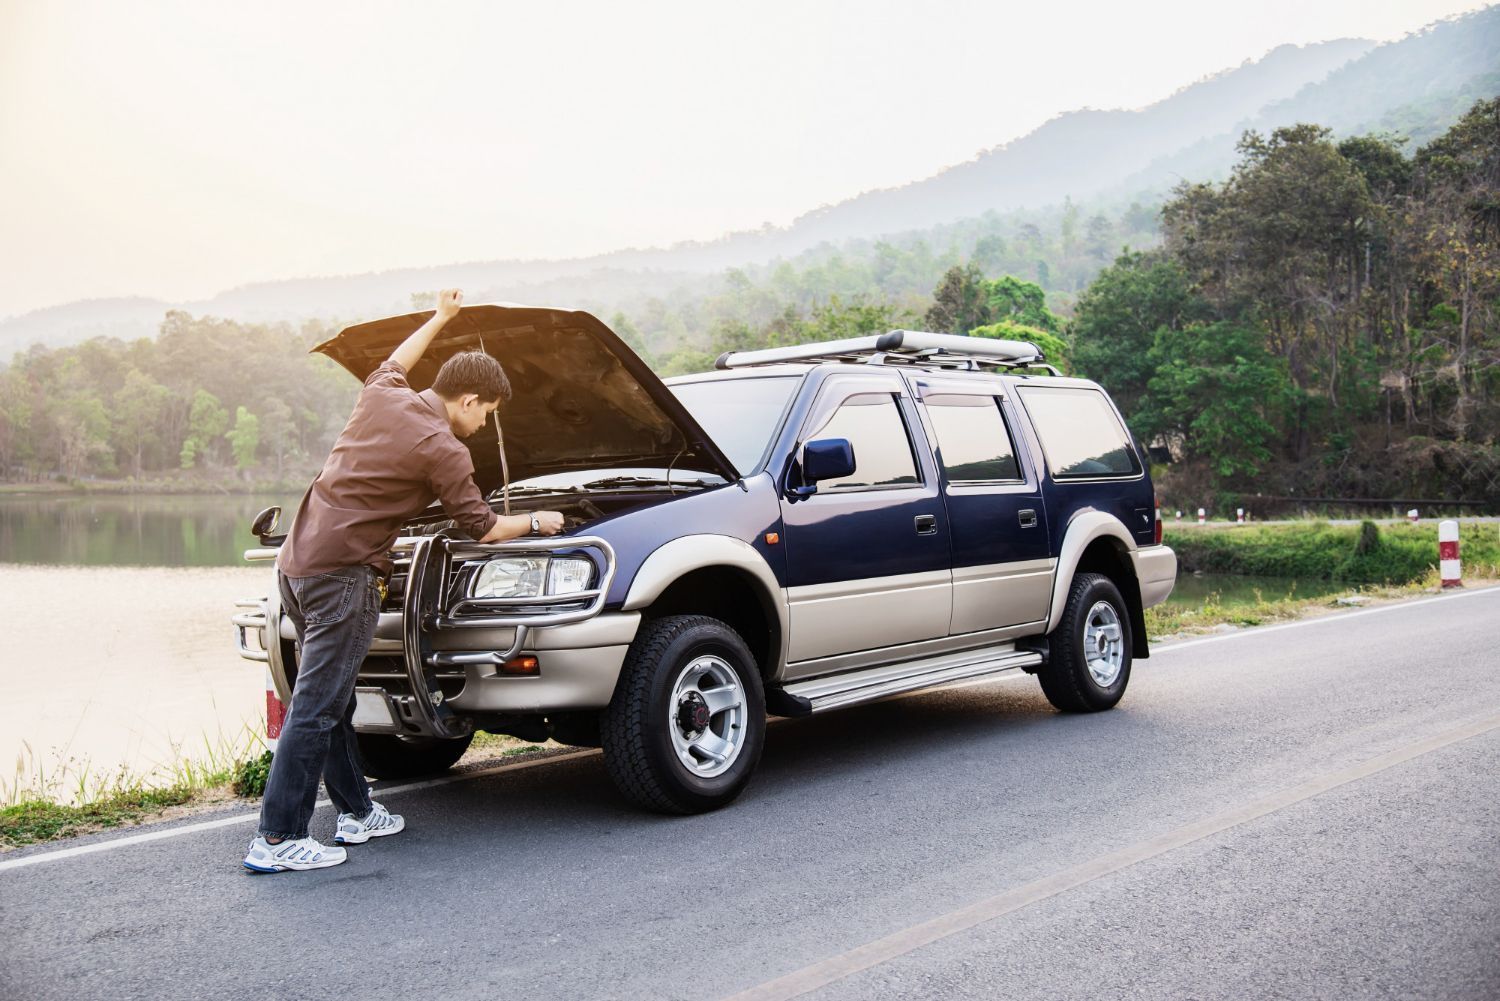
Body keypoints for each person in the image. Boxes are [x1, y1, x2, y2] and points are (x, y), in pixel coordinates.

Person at [242, 288, 564, 873]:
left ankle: (357, 813)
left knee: (332, 701)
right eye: (486, 413)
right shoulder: (444, 448)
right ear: (468, 399)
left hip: (295, 565)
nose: (483, 424)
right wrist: (539, 520)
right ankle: (278, 837)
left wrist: (441, 317)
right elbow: (484, 526)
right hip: (342, 578)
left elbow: (397, 359)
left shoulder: (383, 394)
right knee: (316, 707)